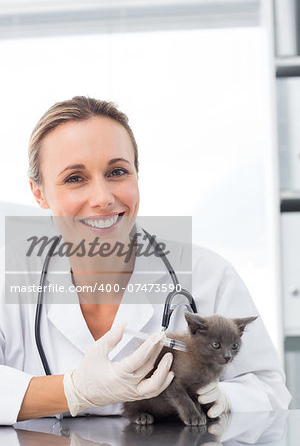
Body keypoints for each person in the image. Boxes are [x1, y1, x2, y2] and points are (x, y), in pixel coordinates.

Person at [0, 96, 291, 426]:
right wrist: (74, 390)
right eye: (75, 178)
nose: (103, 198)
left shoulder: (208, 275)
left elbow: (270, 391)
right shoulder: (10, 274)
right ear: (38, 193)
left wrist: (224, 399)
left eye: (117, 171)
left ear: (137, 174)